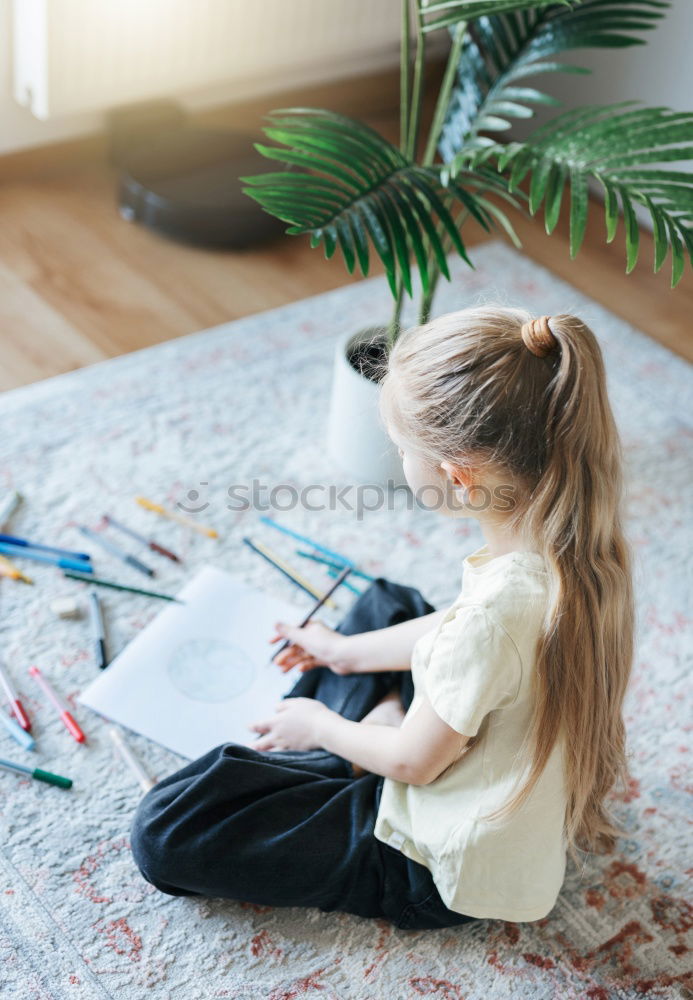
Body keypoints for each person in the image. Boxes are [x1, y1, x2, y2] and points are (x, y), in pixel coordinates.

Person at [130, 306, 635, 929]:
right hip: (478, 762)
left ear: (457, 474)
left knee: (167, 830)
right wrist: (345, 653)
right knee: (387, 604)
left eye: (402, 449)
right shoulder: (577, 541)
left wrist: (321, 726)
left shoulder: (497, 616)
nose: (399, 460)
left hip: (434, 863)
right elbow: (455, 626)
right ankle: (375, 720)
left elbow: (413, 764)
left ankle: (349, 746)